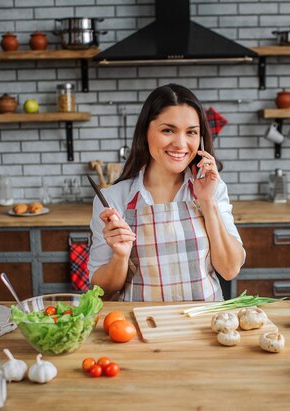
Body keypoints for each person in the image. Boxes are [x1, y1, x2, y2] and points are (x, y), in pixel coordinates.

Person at [87, 84, 245, 301]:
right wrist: (120, 256)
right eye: (167, 130)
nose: (181, 144)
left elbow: (230, 269)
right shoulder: (115, 199)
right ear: (145, 132)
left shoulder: (212, 189)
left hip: (205, 325)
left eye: (191, 132)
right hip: (139, 326)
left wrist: (208, 202)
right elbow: (102, 292)